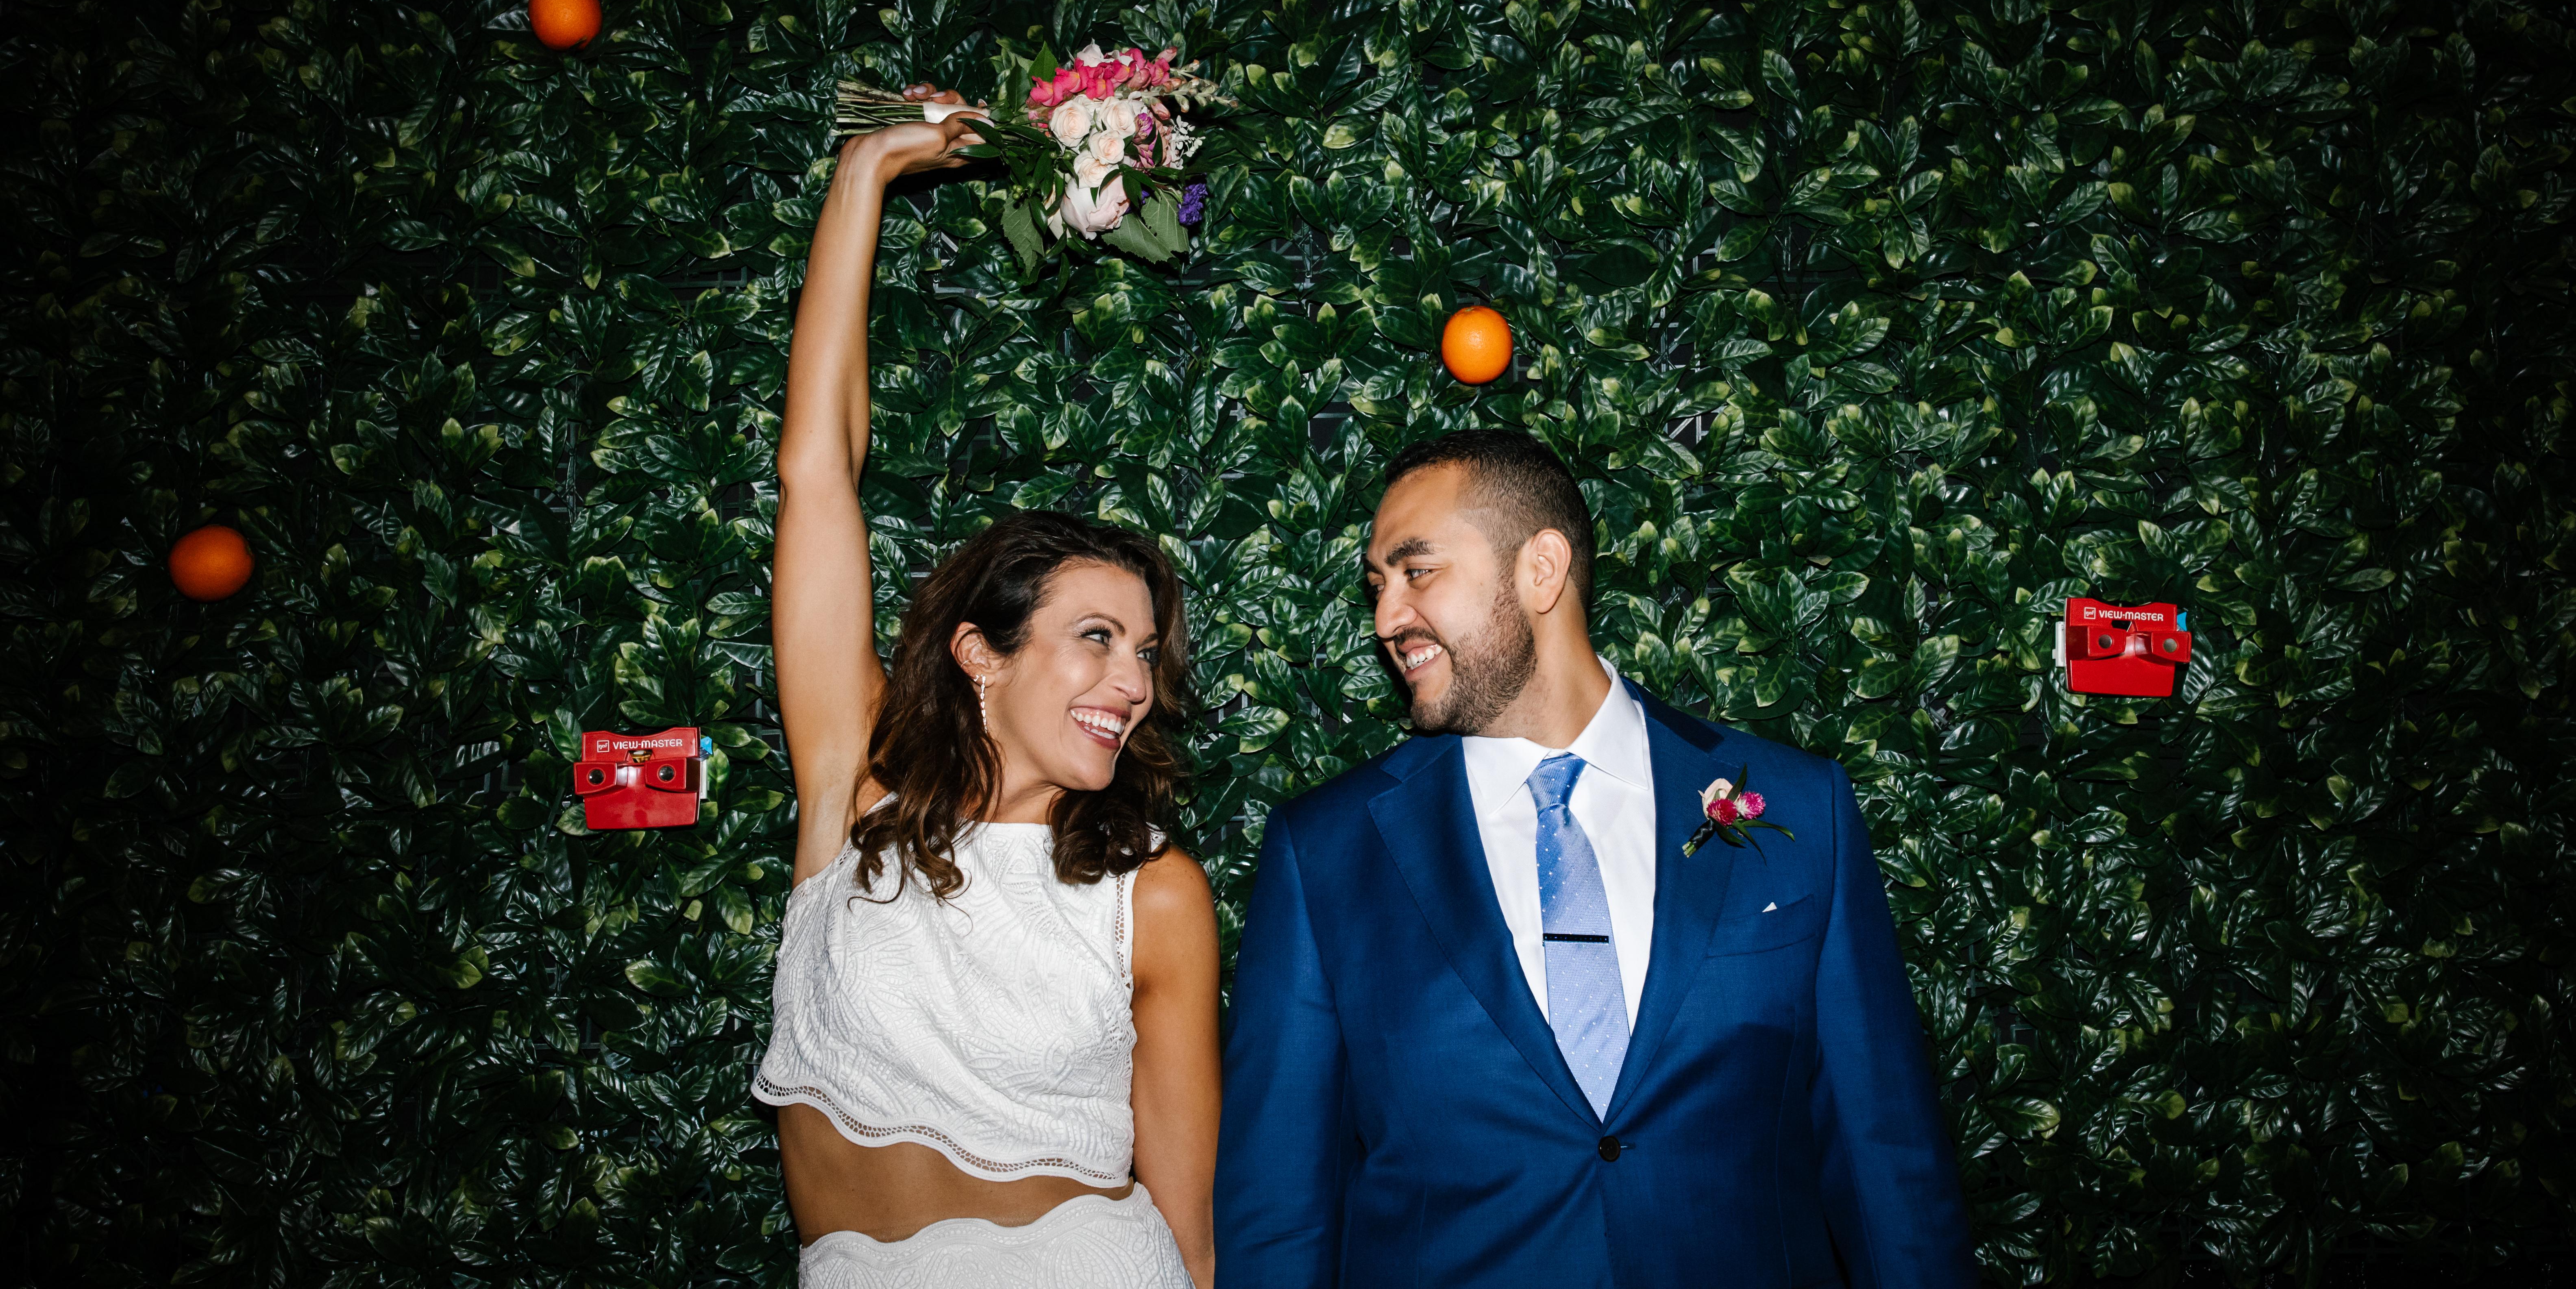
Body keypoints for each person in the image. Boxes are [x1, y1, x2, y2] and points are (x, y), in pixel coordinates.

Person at [1215, 427, 1976, 1287]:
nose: (1388, 618)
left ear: (1542, 570)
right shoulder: (1327, 851)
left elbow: (1889, 1168)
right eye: (1377, 586)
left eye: (1417, 571)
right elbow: (1280, 1212)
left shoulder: (1800, 807)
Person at [753, 88, 1219, 1289]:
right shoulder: (854, 787)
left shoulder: (1153, 891)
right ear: (980, 653)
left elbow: (1191, 1221)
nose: (1132, 681)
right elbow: (818, 472)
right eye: (1098, 638)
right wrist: (866, 175)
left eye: (1147, 652)